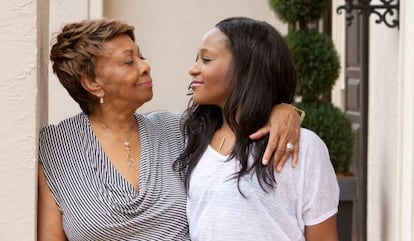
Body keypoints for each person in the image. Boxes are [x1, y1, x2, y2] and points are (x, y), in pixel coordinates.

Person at [37, 18, 302, 240]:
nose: (145, 66)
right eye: (129, 61)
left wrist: (283, 110)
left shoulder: (177, 130)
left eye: (141, 56)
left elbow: (237, 116)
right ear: (92, 83)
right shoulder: (56, 149)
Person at [174, 17, 339, 241]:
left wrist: (286, 110)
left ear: (245, 69)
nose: (193, 69)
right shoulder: (192, 138)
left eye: (206, 59)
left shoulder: (303, 147)